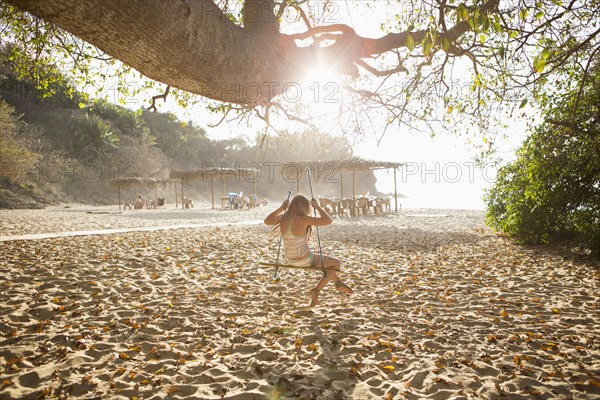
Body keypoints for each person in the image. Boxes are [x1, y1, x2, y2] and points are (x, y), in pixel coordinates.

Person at [264, 194, 353, 307]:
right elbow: (328, 220)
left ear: (291, 206)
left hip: (291, 260)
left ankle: (338, 283)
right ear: (304, 207)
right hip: (305, 259)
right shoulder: (303, 219)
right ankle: (317, 290)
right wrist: (318, 207)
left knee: (326, 263)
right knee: (336, 263)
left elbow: (267, 221)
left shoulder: (282, 218)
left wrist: (281, 208)